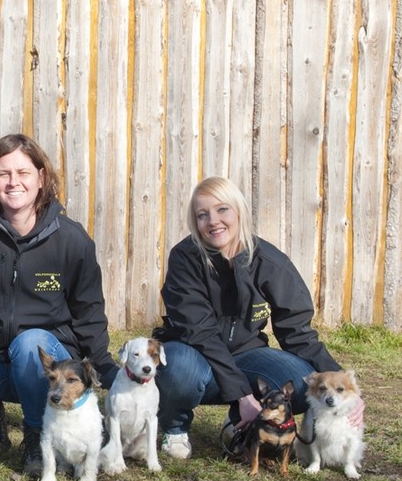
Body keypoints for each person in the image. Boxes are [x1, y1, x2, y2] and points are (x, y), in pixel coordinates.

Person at [0, 133, 118, 477]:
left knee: (30, 342)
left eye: (23, 172)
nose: (13, 182)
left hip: (43, 356)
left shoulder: (70, 239)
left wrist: (103, 365)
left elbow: (89, 309)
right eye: (3, 173)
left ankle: (35, 432)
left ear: (41, 178)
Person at [153, 176, 363, 459]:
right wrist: (242, 394)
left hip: (246, 354)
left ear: (239, 210)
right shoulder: (185, 258)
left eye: (222, 209)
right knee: (176, 367)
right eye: (202, 215)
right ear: (195, 221)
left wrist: (345, 386)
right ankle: (175, 429)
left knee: (301, 384)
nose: (213, 221)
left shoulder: (270, 262)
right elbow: (201, 332)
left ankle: (239, 424)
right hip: (195, 353)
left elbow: (297, 331)